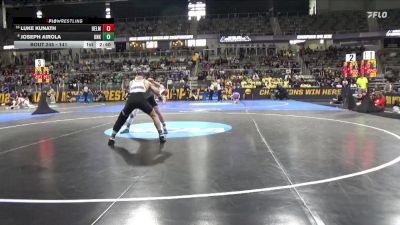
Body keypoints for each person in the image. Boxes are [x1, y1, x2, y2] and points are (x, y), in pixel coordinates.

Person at [108, 75, 166, 145]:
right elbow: (157, 92)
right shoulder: (146, 82)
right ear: (143, 78)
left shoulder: (131, 82)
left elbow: (130, 91)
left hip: (132, 99)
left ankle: (112, 137)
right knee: (154, 115)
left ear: (136, 78)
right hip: (141, 99)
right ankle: (161, 135)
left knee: (122, 117)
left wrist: (154, 84)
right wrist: (158, 91)